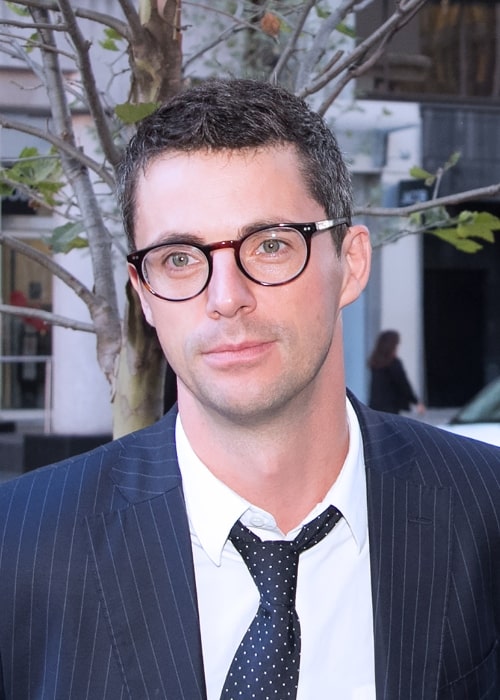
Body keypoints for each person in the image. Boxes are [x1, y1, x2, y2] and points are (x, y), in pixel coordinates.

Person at [0, 79, 499, 700]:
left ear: (352, 263)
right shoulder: (20, 545)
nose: (226, 297)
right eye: (180, 257)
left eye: (269, 245)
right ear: (143, 294)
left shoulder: (486, 510)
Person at [368, 329, 425, 415]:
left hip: (375, 408)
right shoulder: (393, 364)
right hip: (391, 408)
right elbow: (403, 385)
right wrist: (416, 402)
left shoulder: (375, 363)